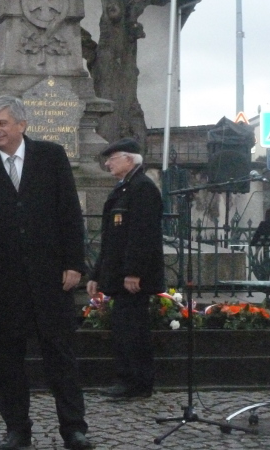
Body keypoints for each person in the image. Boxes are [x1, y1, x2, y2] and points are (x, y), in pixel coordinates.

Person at [0, 95, 92, 450]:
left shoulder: (51, 157)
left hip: (51, 276)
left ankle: (74, 429)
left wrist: (73, 263)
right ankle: (17, 429)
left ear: (21, 124)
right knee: (9, 359)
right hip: (5, 279)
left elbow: (69, 213)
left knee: (60, 355)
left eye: (2, 123)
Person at [86, 138, 165, 400]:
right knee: (123, 329)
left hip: (132, 276)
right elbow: (110, 238)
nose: (107, 163)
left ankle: (136, 381)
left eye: (112, 158)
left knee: (133, 331)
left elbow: (142, 235)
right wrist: (96, 275)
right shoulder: (123, 189)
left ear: (129, 159)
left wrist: (134, 271)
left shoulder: (142, 189)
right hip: (118, 272)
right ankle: (127, 378)